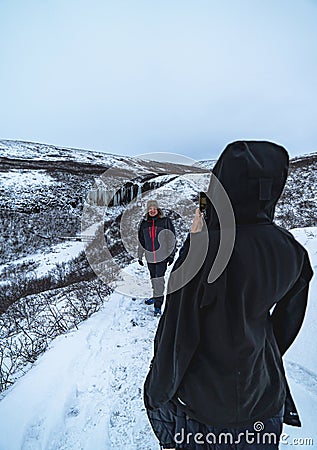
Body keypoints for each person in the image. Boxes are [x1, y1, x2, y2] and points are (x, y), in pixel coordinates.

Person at [143, 141, 314, 449]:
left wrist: (155, 395)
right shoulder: (291, 250)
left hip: (204, 410)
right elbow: (284, 329)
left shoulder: (203, 250)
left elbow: (176, 336)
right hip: (264, 401)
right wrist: (257, 357)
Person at [138, 200, 176, 316]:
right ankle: (156, 297)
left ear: (158, 209)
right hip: (150, 257)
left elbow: (172, 239)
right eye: (150, 208)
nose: (152, 210)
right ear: (147, 210)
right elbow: (141, 241)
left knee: (159, 280)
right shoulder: (144, 224)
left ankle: (158, 306)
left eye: (154, 208)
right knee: (153, 278)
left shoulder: (165, 222)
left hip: (162, 257)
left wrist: (171, 255)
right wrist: (140, 255)